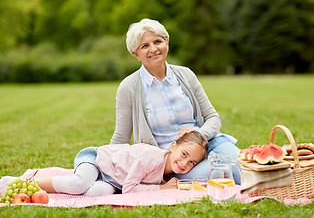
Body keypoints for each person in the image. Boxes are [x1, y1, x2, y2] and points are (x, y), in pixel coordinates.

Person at [111, 18, 241, 184]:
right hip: (177, 162)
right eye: (145, 46)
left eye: (158, 41)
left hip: (208, 142)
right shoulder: (128, 87)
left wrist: (197, 135)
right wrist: (105, 164)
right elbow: (121, 138)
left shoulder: (186, 75)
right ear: (135, 54)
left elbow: (213, 118)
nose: (153, 49)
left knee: (242, 165)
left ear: (167, 42)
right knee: (222, 171)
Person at [0, 131, 208, 196]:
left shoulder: (169, 174)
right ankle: (18, 183)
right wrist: (160, 188)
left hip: (112, 179)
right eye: (183, 154)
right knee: (79, 184)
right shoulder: (152, 157)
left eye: (192, 162)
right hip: (98, 160)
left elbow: (123, 188)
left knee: (94, 194)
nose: (184, 163)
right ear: (173, 146)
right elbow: (129, 189)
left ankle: (62, 184)